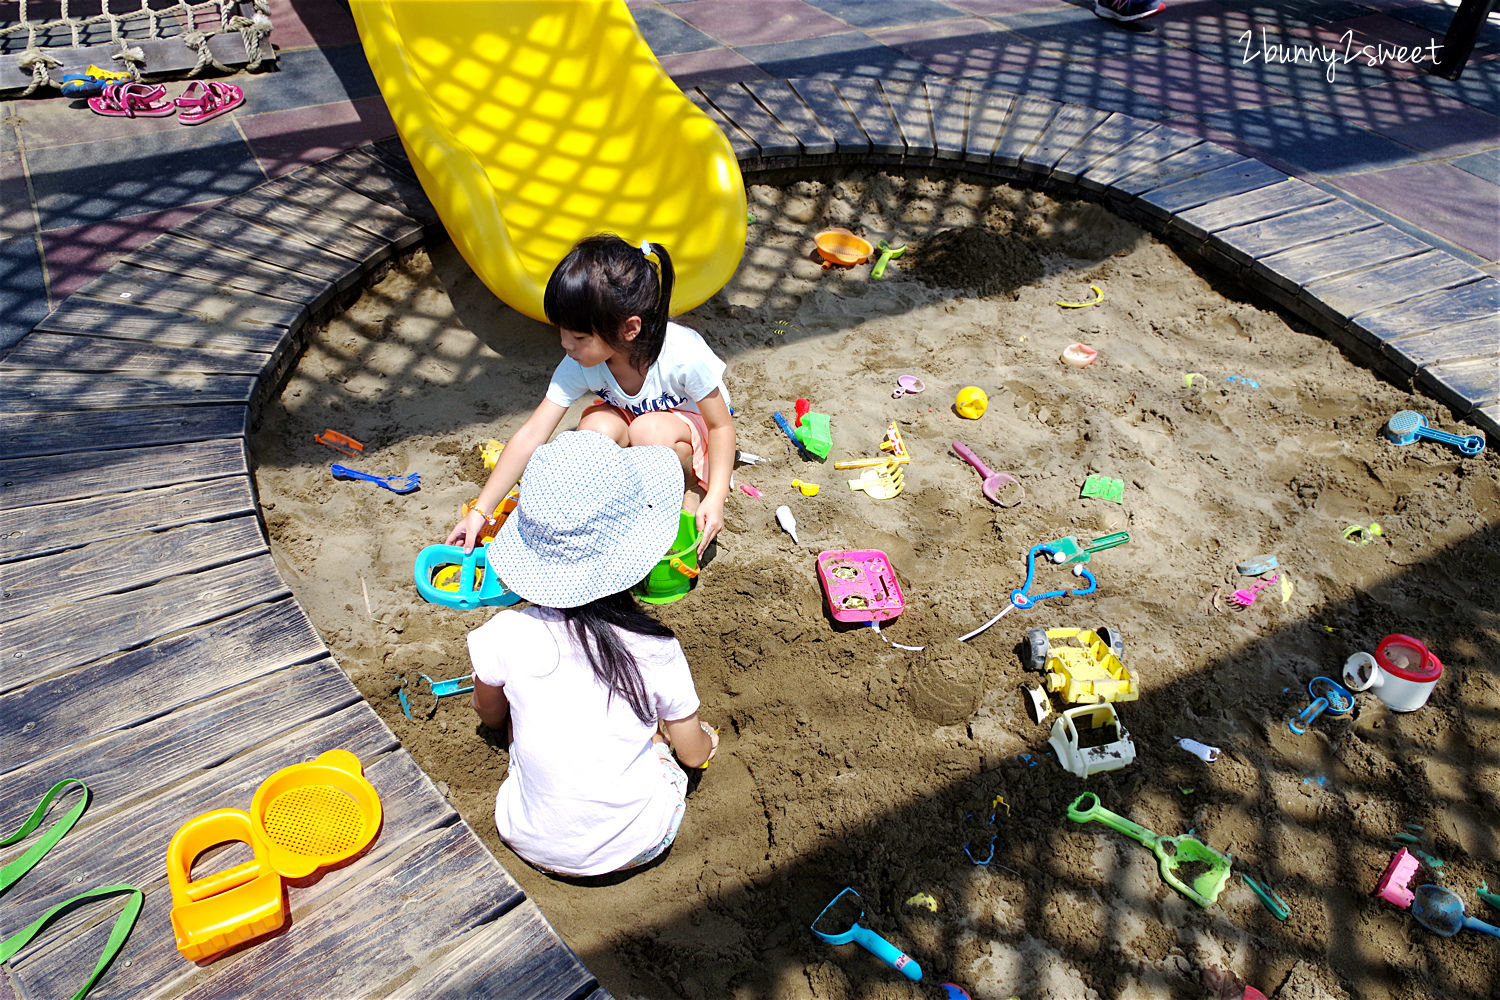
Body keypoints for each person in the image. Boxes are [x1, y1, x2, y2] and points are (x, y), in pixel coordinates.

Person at [466, 431, 718, 877]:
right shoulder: (655, 648)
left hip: (524, 834)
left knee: (525, 727)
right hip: (635, 843)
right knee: (672, 749)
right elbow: (694, 755)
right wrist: (703, 741)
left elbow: (490, 717)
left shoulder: (505, 632)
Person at [449, 234, 735, 558]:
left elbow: (721, 427)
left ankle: (686, 489)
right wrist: (481, 511)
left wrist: (716, 495)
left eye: (579, 336)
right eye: (561, 331)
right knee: (593, 432)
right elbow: (532, 434)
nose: (565, 345)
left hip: (690, 424)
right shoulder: (580, 361)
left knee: (649, 431)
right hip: (630, 412)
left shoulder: (682, 354)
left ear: (630, 328)